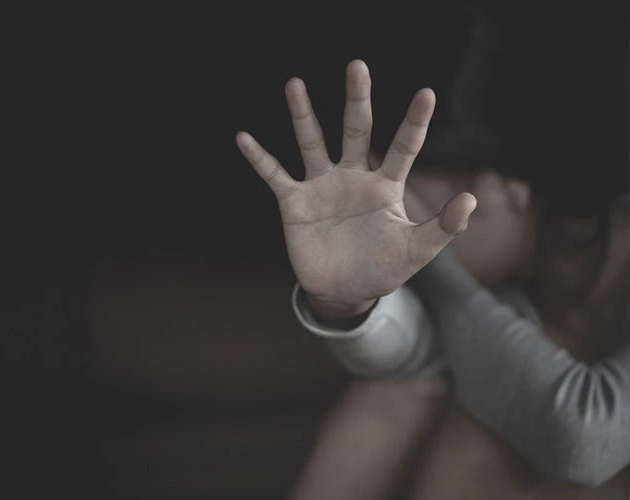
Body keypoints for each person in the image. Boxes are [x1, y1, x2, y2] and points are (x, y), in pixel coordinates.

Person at [235, 10, 629, 497]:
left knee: (479, 435)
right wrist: (343, 301)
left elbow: (585, 437)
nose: (399, 237)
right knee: (397, 392)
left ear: (507, 186)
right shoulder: (513, 288)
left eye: (409, 207)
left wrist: (437, 269)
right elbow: (412, 355)